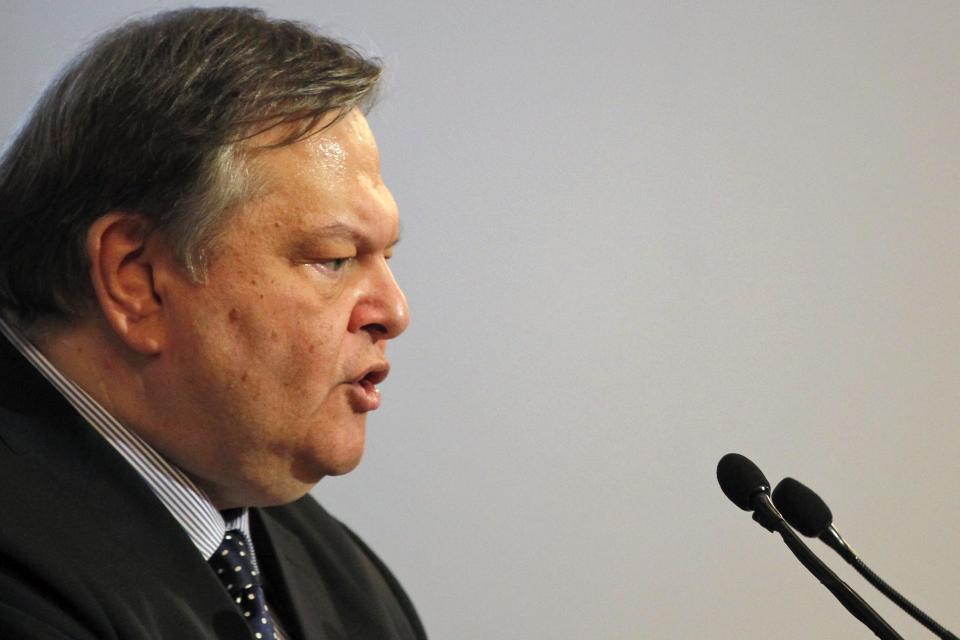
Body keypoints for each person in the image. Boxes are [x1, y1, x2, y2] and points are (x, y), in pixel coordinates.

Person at [0, 7, 425, 640]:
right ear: (137, 279)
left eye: (384, 259)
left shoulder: (341, 575)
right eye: (334, 259)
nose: (393, 312)